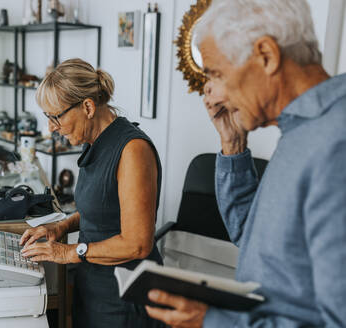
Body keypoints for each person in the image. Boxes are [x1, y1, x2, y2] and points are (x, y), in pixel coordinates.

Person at [145, 0, 346, 327]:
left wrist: (210, 321)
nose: (214, 95)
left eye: (218, 74)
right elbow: (251, 233)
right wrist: (233, 143)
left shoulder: (335, 143)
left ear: (266, 55)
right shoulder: (299, 130)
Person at [20, 58, 165, 328]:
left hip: (124, 296)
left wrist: (66, 253)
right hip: (92, 284)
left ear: (87, 106)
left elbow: (138, 244)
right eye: (47, 117)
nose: (51, 127)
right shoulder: (93, 142)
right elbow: (100, 209)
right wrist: (61, 227)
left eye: (56, 116)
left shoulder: (132, 150)